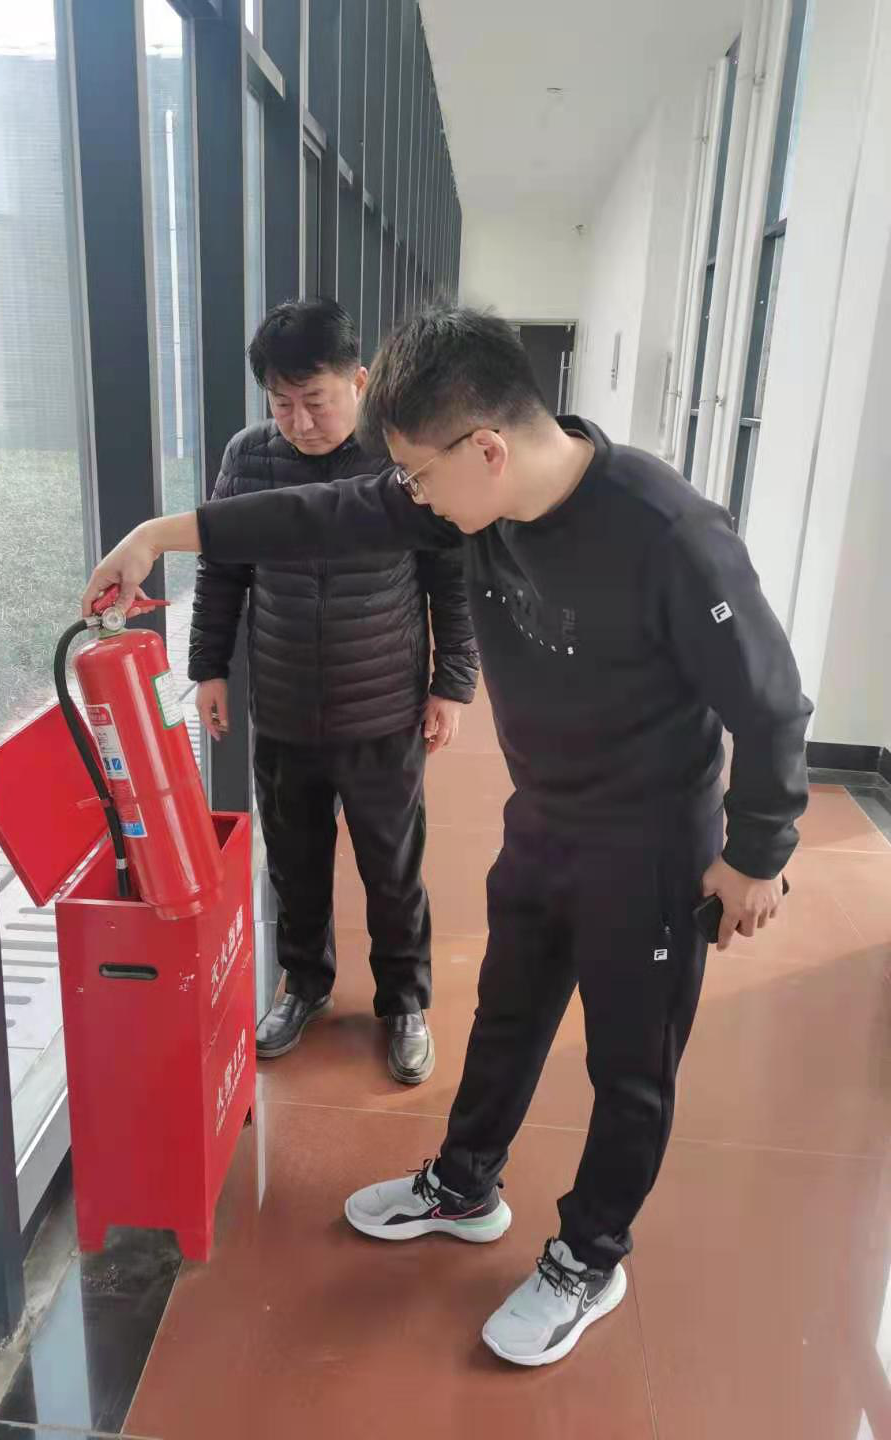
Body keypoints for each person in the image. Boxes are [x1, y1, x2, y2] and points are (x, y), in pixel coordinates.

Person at [82, 308, 811, 1369]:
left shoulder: (667, 533)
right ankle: (466, 1186)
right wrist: (159, 536)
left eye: (419, 476)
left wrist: (756, 855)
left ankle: (590, 1256)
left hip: (653, 848)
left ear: (489, 449)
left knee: (631, 1067)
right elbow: (317, 513)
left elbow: (773, 704)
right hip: (544, 819)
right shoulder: (466, 499)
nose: (410, 496)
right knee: (507, 1016)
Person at [188, 299, 478, 1084]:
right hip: (284, 707)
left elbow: (449, 572)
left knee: (393, 868)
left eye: (315, 401)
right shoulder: (249, 457)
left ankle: (404, 1000)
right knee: (295, 864)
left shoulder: (400, 459)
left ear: (360, 381)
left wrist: (452, 682)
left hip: (383, 709)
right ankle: (304, 984)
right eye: (281, 404)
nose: (299, 422)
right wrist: (209, 668)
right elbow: (221, 569)